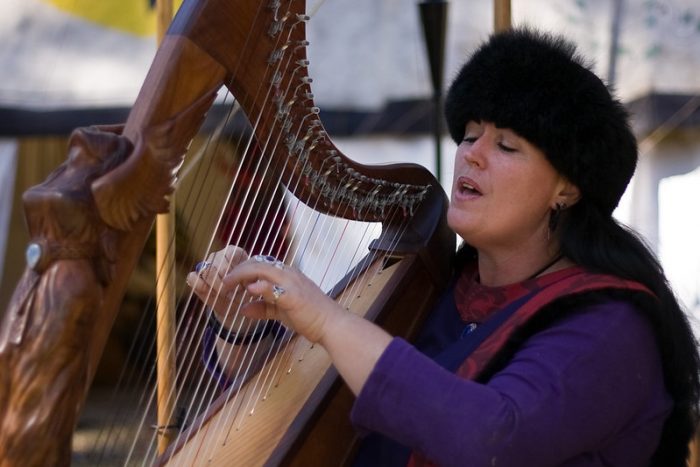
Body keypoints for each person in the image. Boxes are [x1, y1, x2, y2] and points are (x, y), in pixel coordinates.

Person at [187, 28, 700, 466]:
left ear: (566, 188)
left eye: (505, 146)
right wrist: (241, 324)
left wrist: (327, 320)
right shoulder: (434, 286)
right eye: (470, 135)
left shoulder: (609, 324)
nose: (472, 156)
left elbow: (490, 437)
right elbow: (309, 405)